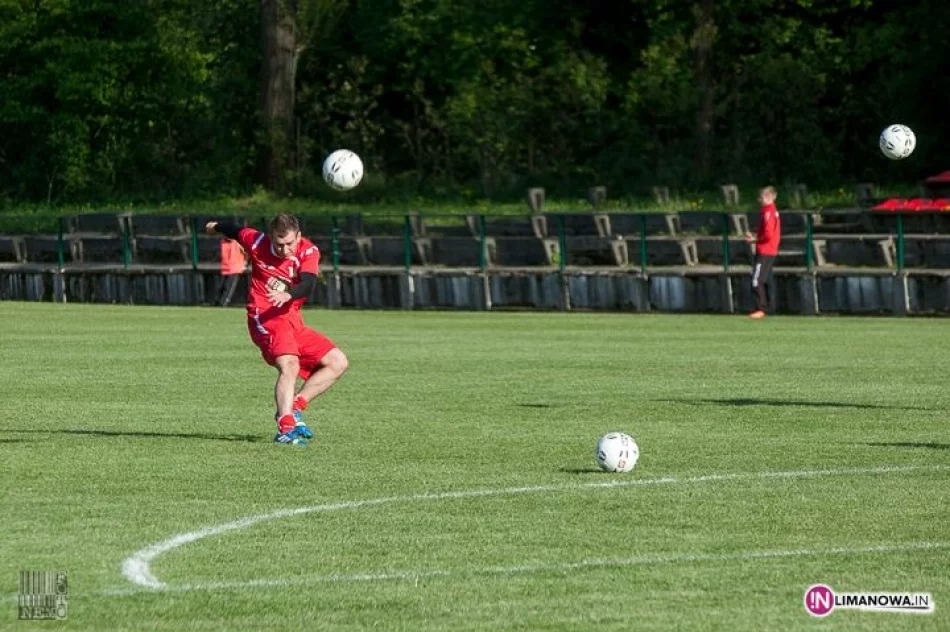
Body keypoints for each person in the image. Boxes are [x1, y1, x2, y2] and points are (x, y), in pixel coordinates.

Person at [205, 214, 349, 446]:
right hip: (265, 316)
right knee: (289, 364)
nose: (284, 250)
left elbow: (309, 283)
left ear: (299, 237)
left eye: (289, 243)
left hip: (292, 320)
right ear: (271, 237)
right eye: (279, 244)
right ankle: (286, 427)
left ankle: (294, 406)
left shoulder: (308, 251)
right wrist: (214, 227)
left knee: (337, 362)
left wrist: (288, 294)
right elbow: (235, 229)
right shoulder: (257, 241)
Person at [744, 186, 781, 318]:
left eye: (762, 197)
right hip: (770, 250)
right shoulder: (771, 211)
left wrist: (754, 239)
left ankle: (761, 308)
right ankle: (771, 308)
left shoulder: (768, 213)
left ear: (768, 197)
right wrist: (755, 234)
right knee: (768, 280)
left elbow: (768, 234)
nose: (760, 200)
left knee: (757, 279)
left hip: (765, 250)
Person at [216, 238, 247, 307]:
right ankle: (217, 303)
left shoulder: (238, 242)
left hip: (234, 269)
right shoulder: (222, 241)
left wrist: (245, 262)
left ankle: (223, 304)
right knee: (221, 287)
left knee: (228, 288)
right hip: (225, 268)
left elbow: (246, 252)